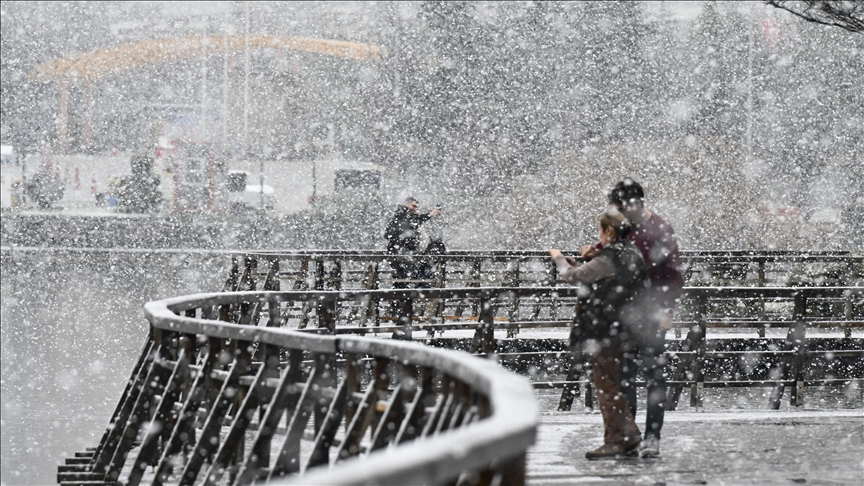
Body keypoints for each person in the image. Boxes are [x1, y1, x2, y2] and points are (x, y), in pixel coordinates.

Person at [590, 177, 684, 459]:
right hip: (624, 313)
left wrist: (667, 310)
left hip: (651, 312)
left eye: (620, 205)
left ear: (635, 203)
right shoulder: (626, 228)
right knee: (626, 377)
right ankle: (631, 437)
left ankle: (652, 437)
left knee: (653, 375)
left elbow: (673, 274)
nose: (618, 210)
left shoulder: (660, 229)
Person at [549, 209, 649, 460]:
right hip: (629, 327)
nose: (600, 236)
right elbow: (604, 276)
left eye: (601, 231)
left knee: (605, 384)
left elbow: (572, 277)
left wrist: (559, 258)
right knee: (614, 382)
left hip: (606, 329)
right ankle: (628, 433)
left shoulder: (610, 257)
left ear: (609, 231)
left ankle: (616, 439)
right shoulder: (633, 253)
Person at [384, 197, 441, 292]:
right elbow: (412, 222)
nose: (415, 209)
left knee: (401, 284)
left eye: (416, 207)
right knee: (401, 284)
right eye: (413, 206)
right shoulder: (401, 216)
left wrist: (430, 214)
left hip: (404, 256)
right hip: (401, 256)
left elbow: (415, 220)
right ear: (406, 203)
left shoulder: (404, 216)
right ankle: (405, 297)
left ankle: (402, 300)